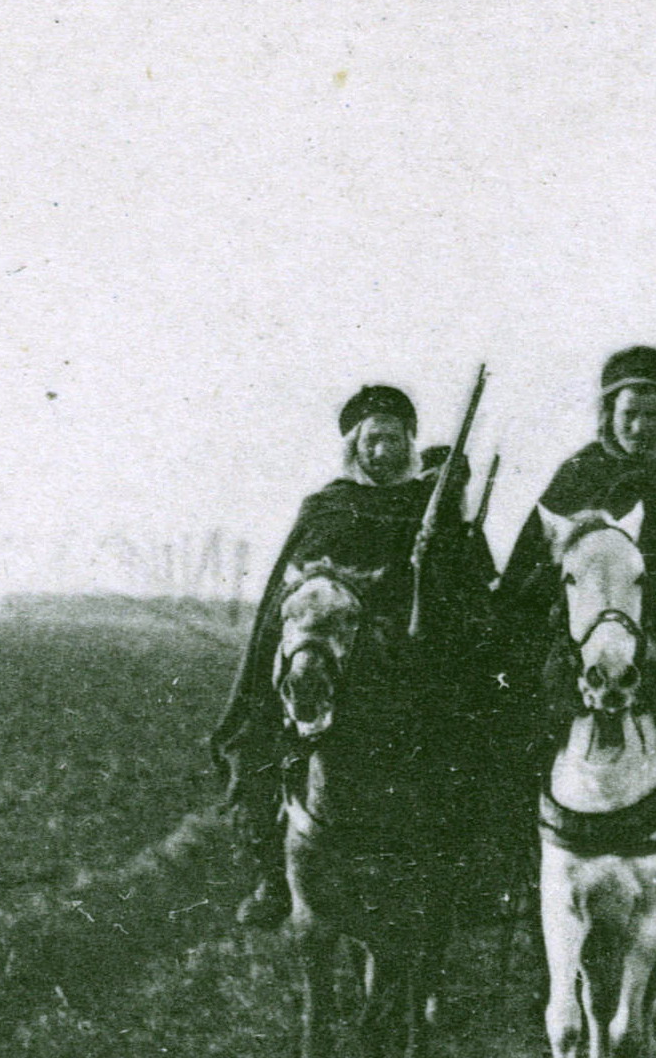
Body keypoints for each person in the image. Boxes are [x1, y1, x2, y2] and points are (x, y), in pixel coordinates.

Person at [209, 383, 503, 927]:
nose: (383, 451)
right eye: (373, 441)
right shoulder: (326, 506)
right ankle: (276, 875)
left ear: (409, 445)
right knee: (268, 738)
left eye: (394, 439)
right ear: (355, 446)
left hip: (411, 660)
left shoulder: (426, 506)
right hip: (333, 652)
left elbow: (463, 590)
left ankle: (464, 876)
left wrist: (431, 556)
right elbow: (298, 586)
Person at [491, 347, 656, 844]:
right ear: (608, 414)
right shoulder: (577, 476)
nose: (641, 427)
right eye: (630, 414)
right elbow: (527, 575)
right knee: (527, 730)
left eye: (653, 415)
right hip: (580, 649)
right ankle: (520, 867)